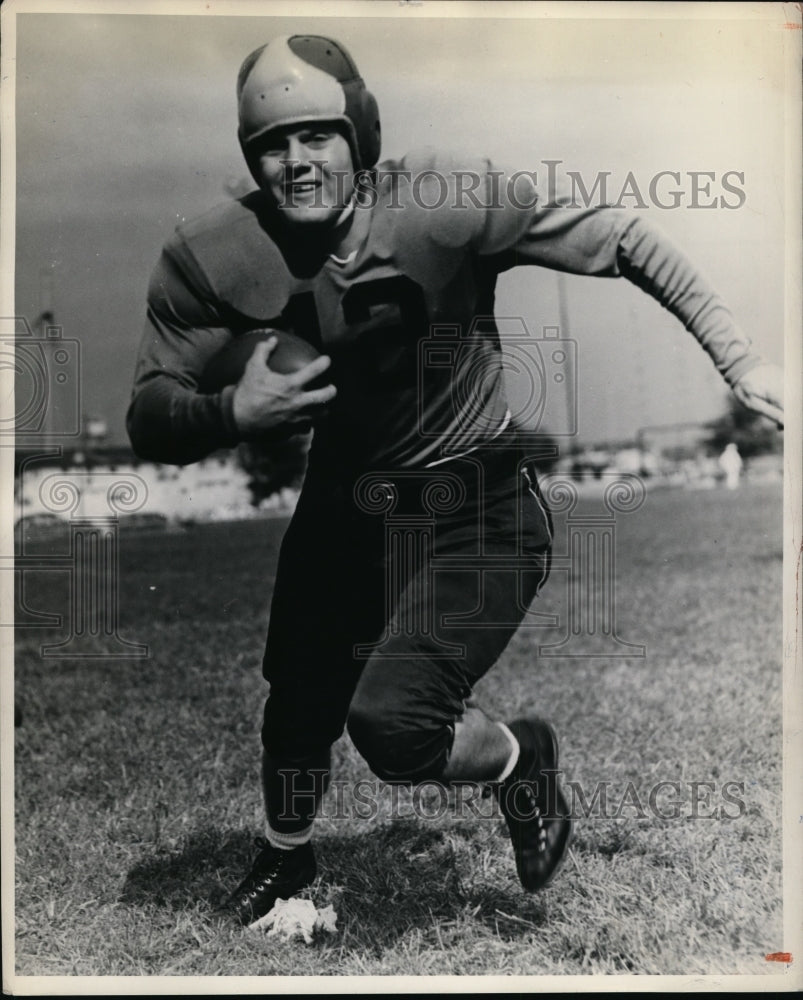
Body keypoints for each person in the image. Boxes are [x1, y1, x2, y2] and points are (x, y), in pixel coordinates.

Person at [127, 34, 784, 926]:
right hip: (346, 499)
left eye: (315, 136)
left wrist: (738, 360)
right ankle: (286, 858)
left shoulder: (441, 198)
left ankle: (523, 764)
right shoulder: (214, 250)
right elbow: (149, 411)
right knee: (297, 700)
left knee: (394, 723)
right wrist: (227, 417)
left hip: (472, 495)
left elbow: (622, 238)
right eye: (270, 145)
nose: (294, 161)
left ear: (358, 133)